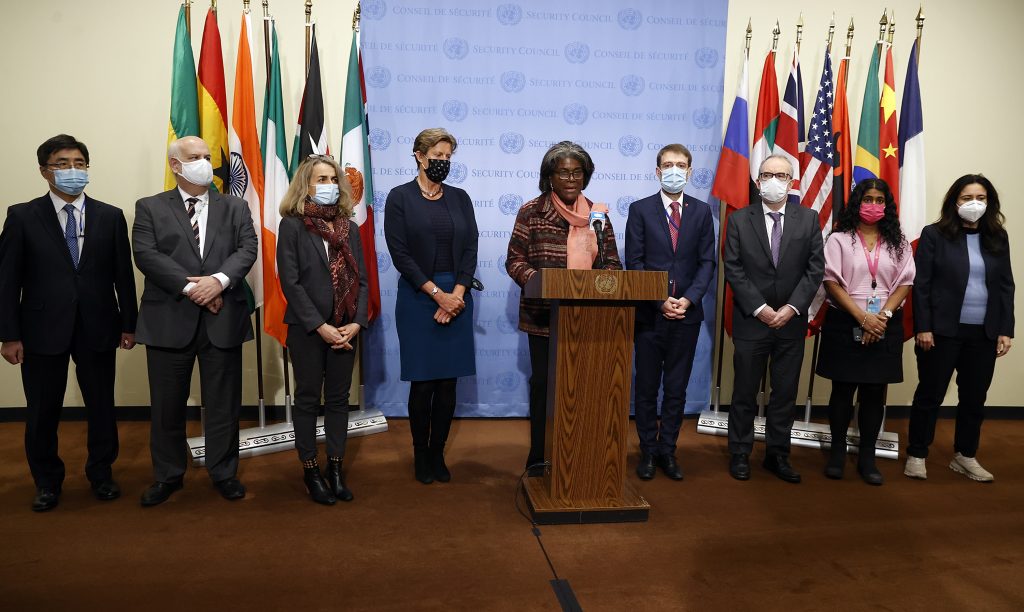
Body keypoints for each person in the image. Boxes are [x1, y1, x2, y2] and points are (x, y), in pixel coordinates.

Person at [0, 134, 138, 512]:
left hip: (98, 324)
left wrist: (130, 324)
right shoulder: (22, 215)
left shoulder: (110, 216)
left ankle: (101, 473)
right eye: (62, 164)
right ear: (45, 171)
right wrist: (8, 335)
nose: (72, 170)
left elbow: (122, 276)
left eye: (79, 163)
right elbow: (7, 280)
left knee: (100, 405)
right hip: (41, 329)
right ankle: (46, 481)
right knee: (42, 410)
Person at [132, 136, 258, 506]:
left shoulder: (235, 207)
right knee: (167, 406)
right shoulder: (150, 207)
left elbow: (247, 249)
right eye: (194, 157)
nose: (204, 163)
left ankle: (224, 473)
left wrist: (218, 282)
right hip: (169, 320)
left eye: (207, 157)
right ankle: (168, 476)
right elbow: (146, 254)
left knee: (224, 405)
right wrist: (193, 290)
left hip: (223, 319)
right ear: (175, 165)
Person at [506, 141, 622, 477]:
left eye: (577, 172)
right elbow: (514, 260)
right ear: (550, 177)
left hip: (590, 318)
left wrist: (607, 281)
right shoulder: (532, 211)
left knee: (585, 389)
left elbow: (612, 262)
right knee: (545, 388)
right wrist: (538, 281)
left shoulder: (598, 215)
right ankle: (539, 456)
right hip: (544, 318)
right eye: (564, 172)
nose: (571, 178)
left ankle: (583, 454)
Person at [384, 128, 478, 485]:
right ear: (419, 156)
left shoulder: (460, 198)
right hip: (418, 296)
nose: (443, 162)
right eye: (437, 156)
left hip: (457, 295)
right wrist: (437, 295)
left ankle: (438, 452)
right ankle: (420, 454)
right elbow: (401, 255)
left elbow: (470, 250)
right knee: (423, 384)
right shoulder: (400, 198)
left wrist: (456, 295)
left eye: (448, 157)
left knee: (448, 384)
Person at [905, 174, 1014, 482]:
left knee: (974, 397)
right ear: (955, 202)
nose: (974, 204)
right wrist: (924, 326)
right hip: (941, 331)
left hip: (984, 332)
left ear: (989, 202)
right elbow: (921, 285)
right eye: (967, 198)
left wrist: (1005, 329)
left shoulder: (998, 237)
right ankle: (917, 453)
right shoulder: (934, 235)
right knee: (930, 394)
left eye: (981, 197)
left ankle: (965, 455)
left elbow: (1006, 286)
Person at [723, 154, 825, 483]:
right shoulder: (739, 219)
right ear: (757, 181)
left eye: (781, 175)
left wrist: (792, 308)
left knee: (785, 393)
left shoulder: (809, 219)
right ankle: (740, 452)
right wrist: (760, 308)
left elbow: (815, 269)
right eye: (767, 174)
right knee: (744, 392)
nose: (774, 181)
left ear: (792, 181)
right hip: (752, 321)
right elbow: (733, 268)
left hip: (791, 322)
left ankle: (777, 454)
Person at [277, 155, 368, 505]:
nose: (328, 185)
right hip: (308, 330)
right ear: (306, 185)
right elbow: (291, 282)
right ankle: (311, 470)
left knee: (338, 400)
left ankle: (335, 468)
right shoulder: (292, 226)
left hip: (347, 329)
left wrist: (357, 322)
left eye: (333, 179)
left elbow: (361, 280)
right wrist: (320, 326)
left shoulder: (350, 227)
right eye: (320, 179)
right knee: (307, 398)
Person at [624, 144, 715, 481]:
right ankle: (648, 451)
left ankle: (668, 451)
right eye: (668, 165)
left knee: (676, 388)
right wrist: (659, 298)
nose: (675, 170)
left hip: (687, 316)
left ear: (690, 172)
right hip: (650, 315)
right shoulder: (640, 210)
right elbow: (634, 263)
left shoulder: (702, 212)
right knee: (647, 386)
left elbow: (707, 262)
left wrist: (688, 300)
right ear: (658, 171)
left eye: (681, 165)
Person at [816, 179, 915, 485]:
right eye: (868, 198)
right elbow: (830, 280)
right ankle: (836, 452)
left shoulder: (898, 240)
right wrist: (862, 317)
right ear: (857, 203)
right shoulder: (839, 239)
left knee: (874, 394)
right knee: (842, 392)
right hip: (846, 320)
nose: (874, 204)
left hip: (885, 322)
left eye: (879, 199)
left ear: (887, 205)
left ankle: (868, 456)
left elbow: (905, 282)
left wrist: (881, 317)